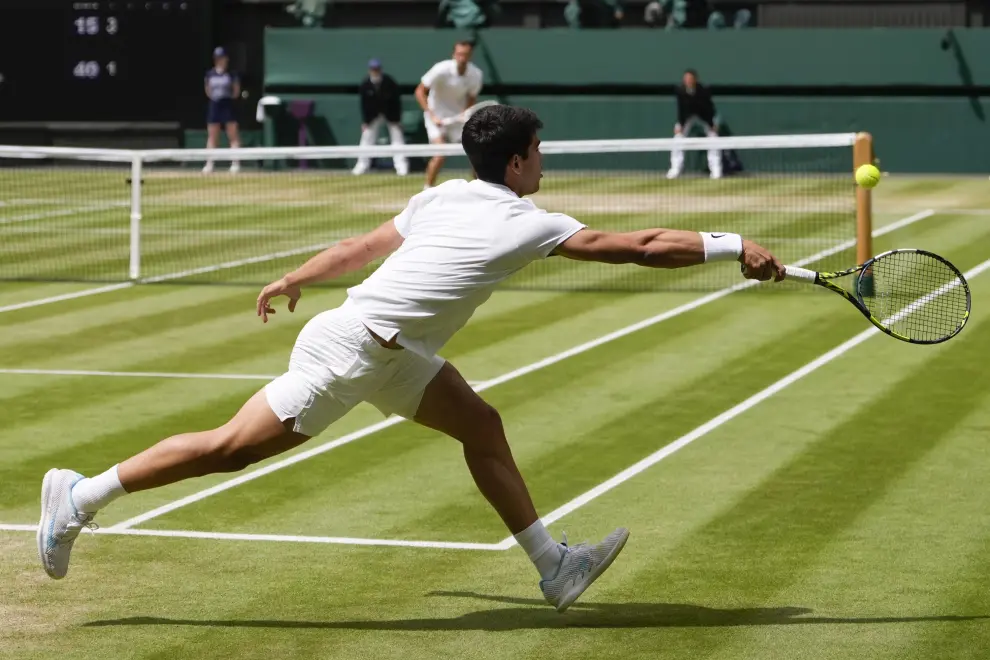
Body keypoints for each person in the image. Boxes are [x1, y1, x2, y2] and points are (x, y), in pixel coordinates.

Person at [36, 105, 784, 612]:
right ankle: (79, 497)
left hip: (398, 352)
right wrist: (730, 244)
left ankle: (555, 569)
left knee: (482, 426)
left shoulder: (445, 198)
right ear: (520, 161)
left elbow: (364, 248)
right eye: (538, 152)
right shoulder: (525, 223)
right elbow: (640, 248)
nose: (543, 161)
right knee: (231, 450)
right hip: (352, 349)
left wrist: (300, 275)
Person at [415, 40, 483, 190]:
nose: (462, 57)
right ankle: (427, 189)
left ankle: (481, 189)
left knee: (475, 154)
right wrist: (431, 114)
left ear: (470, 56)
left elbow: (471, 98)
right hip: (435, 116)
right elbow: (420, 91)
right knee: (440, 154)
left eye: (465, 54)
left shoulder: (476, 74)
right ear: (454, 54)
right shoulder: (440, 69)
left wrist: (465, 114)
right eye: (459, 54)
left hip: (457, 119)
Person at [352, 59, 408, 177]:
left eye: (377, 69)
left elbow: (397, 102)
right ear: (369, 70)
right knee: (367, 139)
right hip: (372, 116)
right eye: (373, 69)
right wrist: (365, 121)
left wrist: (397, 120)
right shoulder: (365, 84)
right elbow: (364, 104)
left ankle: (401, 167)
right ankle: (362, 165)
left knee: (397, 139)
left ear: (380, 69)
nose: (375, 71)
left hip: (391, 115)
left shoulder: (390, 82)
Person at [667, 69, 722, 180]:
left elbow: (709, 109)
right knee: (678, 137)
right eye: (685, 79)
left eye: (690, 79)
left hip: (705, 115)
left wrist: (712, 124)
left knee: (713, 138)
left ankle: (715, 170)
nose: (687, 81)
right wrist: (680, 125)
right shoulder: (680, 91)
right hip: (687, 116)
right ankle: (675, 169)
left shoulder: (704, 91)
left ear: (695, 80)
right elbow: (681, 109)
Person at [203, 46, 241, 174]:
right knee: (212, 136)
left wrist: (227, 98)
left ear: (226, 59)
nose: (219, 60)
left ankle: (235, 164)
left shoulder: (232, 74)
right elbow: (207, 90)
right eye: (217, 58)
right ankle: (209, 164)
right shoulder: (210, 74)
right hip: (214, 105)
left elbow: (236, 91)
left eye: (222, 58)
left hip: (228, 105)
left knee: (233, 135)